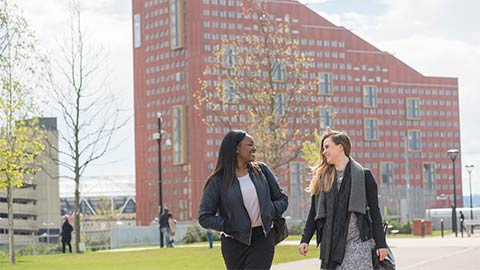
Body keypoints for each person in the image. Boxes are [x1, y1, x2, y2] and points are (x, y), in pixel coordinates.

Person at [299, 128, 389, 269]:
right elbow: (313, 212)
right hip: (331, 246)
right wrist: (305, 239)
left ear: (340, 147)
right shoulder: (323, 178)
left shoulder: (364, 176)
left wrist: (381, 243)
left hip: (359, 245)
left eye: (327, 147)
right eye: (323, 148)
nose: (324, 152)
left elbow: (375, 212)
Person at [199, 130, 288, 270]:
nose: (255, 148)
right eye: (250, 144)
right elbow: (204, 217)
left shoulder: (262, 171)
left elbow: (282, 199)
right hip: (233, 242)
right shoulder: (217, 181)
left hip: (263, 238)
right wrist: (229, 225)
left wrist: (270, 210)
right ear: (236, 148)